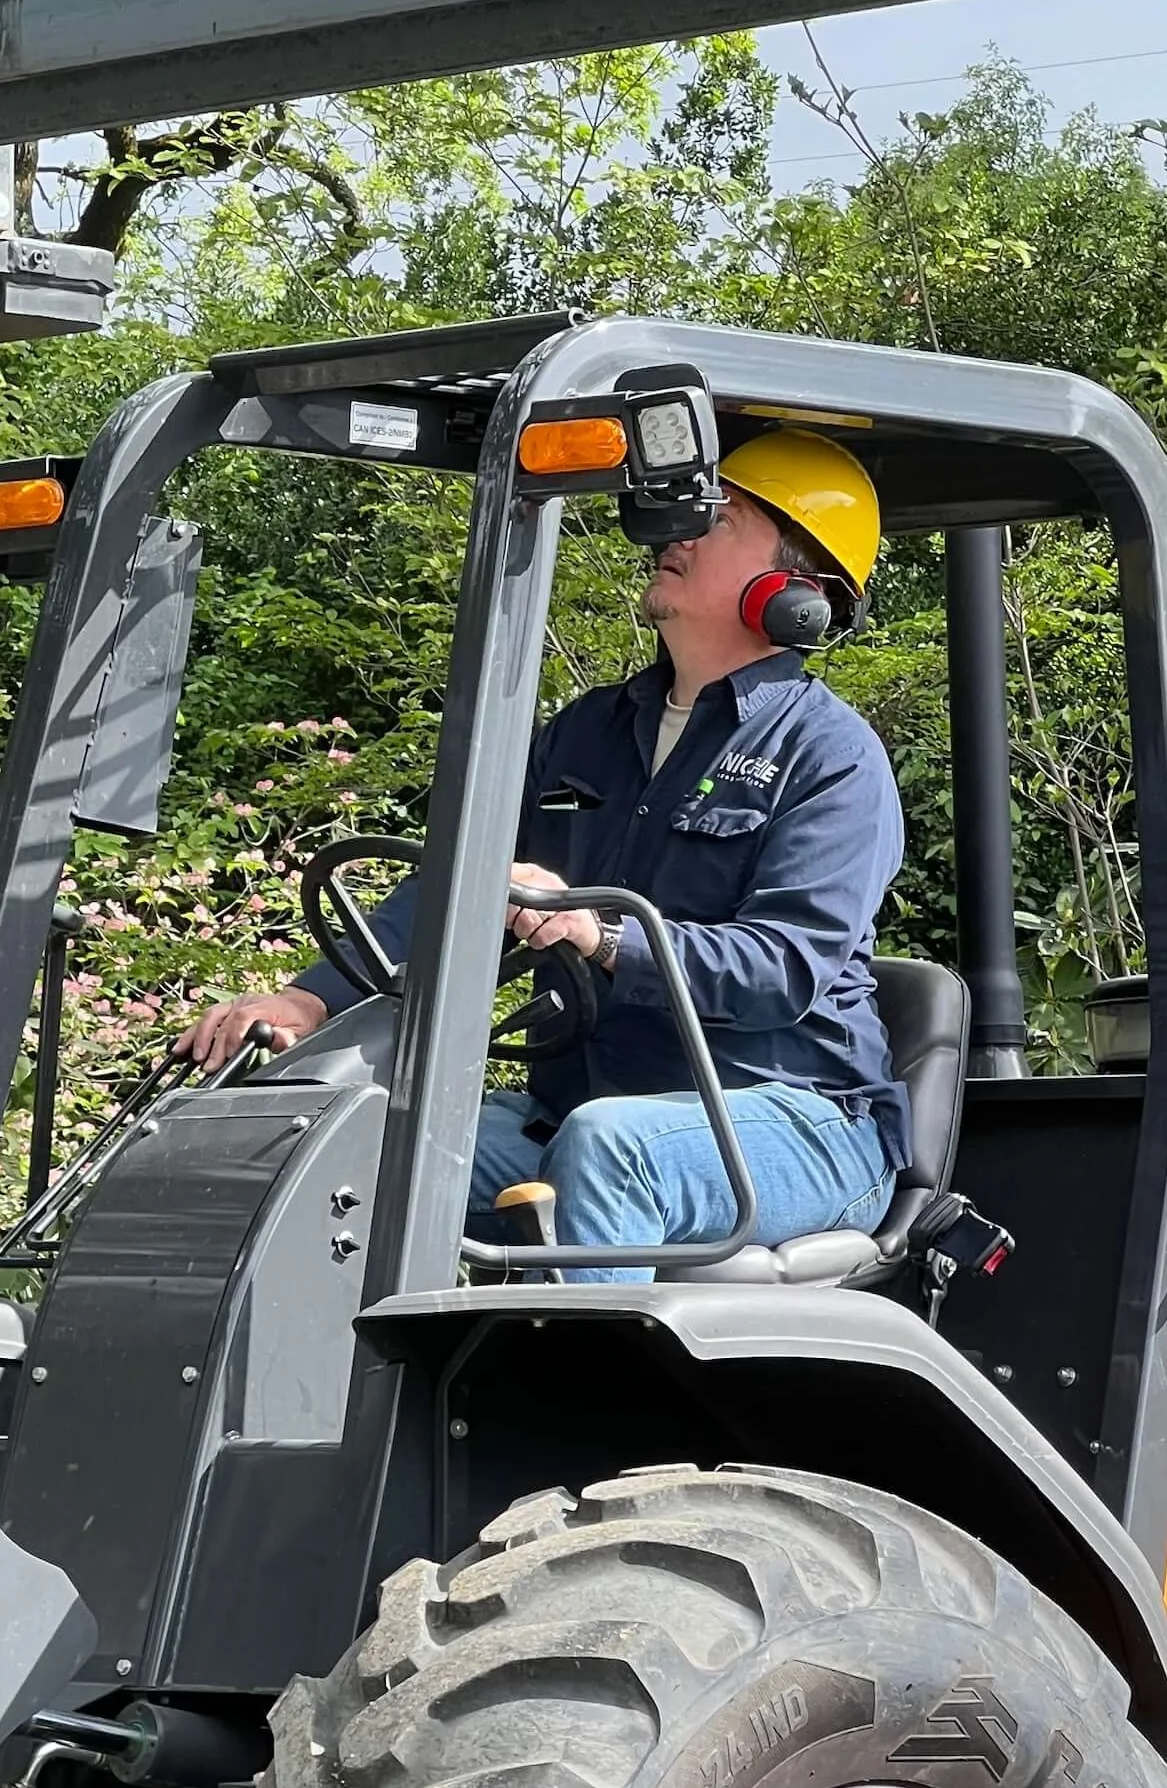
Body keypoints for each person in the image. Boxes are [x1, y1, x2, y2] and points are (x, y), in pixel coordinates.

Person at [176, 430, 909, 1282]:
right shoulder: (586, 733)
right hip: (585, 1107)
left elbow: (783, 967)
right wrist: (307, 999)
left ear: (796, 591)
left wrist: (598, 932)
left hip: (798, 1117)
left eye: (718, 517)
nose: (676, 530)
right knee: (337, 1143)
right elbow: (457, 888)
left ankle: (561, 1414)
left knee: (612, 1152)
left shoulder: (831, 756)